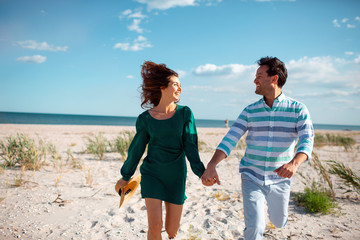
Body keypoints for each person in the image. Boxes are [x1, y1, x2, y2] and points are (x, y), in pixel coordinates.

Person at [201, 56, 314, 240]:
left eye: (260, 75)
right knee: (254, 228)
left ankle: (278, 217)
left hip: (280, 178)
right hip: (251, 176)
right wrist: (212, 164)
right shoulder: (249, 110)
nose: (255, 80)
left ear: (274, 78)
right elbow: (231, 138)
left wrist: (294, 163)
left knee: (278, 221)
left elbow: (307, 140)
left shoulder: (298, 109)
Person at [117, 61, 206, 240]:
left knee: (172, 230)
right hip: (152, 175)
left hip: (176, 176)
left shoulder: (185, 113)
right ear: (162, 87)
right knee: (155, 226)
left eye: (181, 85)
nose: (180, 88)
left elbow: (191, 146)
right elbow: (136, 149)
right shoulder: (145, 119)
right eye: (175, 84)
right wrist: (125, 176)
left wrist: (201, 172)